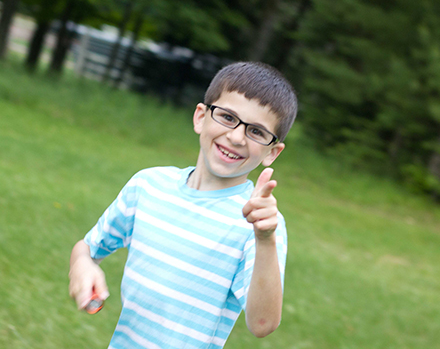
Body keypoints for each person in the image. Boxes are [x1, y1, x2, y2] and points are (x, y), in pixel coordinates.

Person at [69, 61, 298, 348]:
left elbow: (262, 324)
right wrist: (82, 265)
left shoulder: (259, 222)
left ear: (272, 152)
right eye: (227, 117)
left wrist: (265, 240)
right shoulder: (148, 186)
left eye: (256, 132)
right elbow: (87, 248)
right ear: (201, 117)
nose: (237, 137)